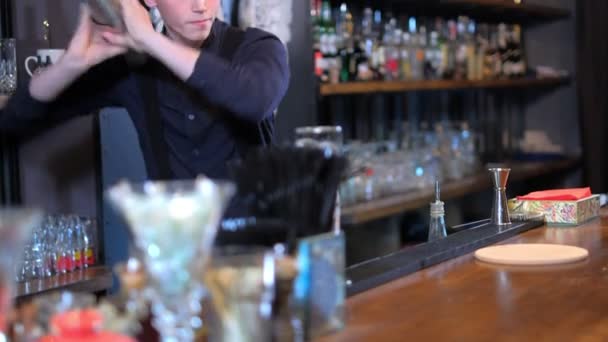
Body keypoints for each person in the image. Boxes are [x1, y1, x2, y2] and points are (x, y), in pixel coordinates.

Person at [0, 0, 290, 181]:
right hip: (174, 255)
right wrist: (71, 63)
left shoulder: (257, 47)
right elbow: (15, 119)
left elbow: (254, 100)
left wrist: (150, 40)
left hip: (253, 252)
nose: (201, 5)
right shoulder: (132, 69)